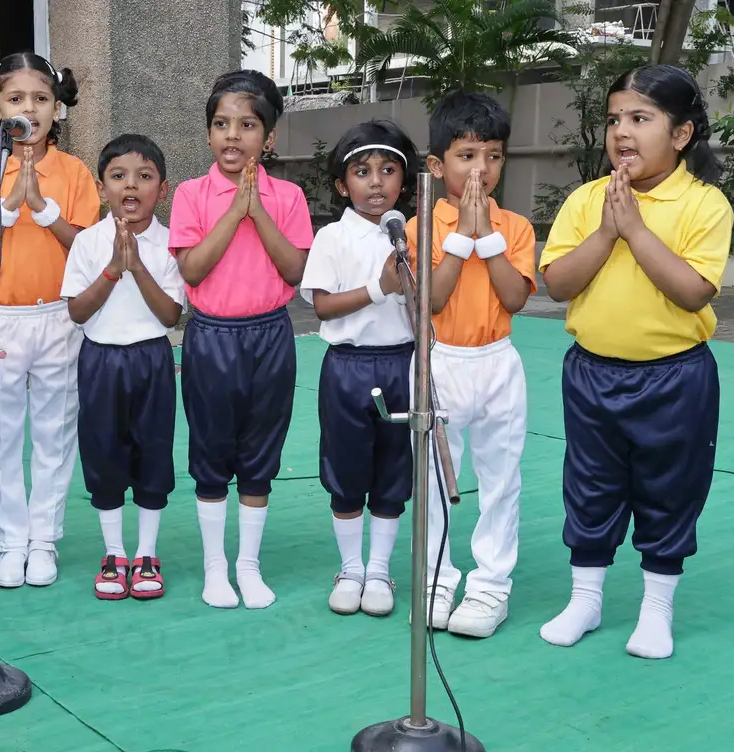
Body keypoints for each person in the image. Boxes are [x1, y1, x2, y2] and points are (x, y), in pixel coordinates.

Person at [538, 65, 731, 660]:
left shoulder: (704, 204)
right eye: (614, 118)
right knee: (590, 487)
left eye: (640, 118)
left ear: (680, 134)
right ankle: (586, 598)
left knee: (670, 489)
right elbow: (556, 284)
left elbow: (694, 291)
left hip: (674, 377)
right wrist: (606, 232)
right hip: (593, 372)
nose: (622, 131)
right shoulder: (587, 199)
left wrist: (636, 230)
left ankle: (656, 609)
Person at [169, 69, 314, 610]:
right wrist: (235, 211)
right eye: (221, 124)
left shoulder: (289, 196)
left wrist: (258, 210)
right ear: (208, 133)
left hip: (271, 336)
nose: (233, 135)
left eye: (247, 125)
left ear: (268, 137)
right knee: (211, 449)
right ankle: (215, 567)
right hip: (211, 337)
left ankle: (248, 565)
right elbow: (195, 271)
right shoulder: (190, 194)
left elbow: (294, 271)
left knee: (260, 452)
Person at [0, 53, 100, 589]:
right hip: (0, 319)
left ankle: (44, 541)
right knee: (1, 435)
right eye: (16, 99)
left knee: (55, 433)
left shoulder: (76, 172)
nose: (29, 109)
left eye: (40, 99)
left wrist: (44, 210)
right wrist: (6, 207)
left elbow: (87, 249)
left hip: (59, 316)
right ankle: (11, 541)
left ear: (57, 108)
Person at [404, 91, 536, 638]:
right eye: (466, 155)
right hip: (440, 362)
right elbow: (431, 300)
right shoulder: (421, 227)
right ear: (437, 165)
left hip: (497, 362)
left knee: (501, 478)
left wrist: (488, 238)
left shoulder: (518, 227)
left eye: (493, 155)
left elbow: (515, 298)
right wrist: (461, 237)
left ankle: (490, 588)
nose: (481, 169)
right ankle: (435, 579)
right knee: (433, 477)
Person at [301, 120, 420, 617]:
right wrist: (379, 287)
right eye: (363, 171)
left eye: (388, 170)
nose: (376, 182)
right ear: (341, 184)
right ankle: (350, 567)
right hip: (348, 366)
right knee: (347, 468)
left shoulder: (413, 232)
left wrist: (410, 278)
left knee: (394, 468)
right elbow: (323, 307)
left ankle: (379, 569)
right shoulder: (332, 236)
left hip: (402, 362)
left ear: (404, 182)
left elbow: (426, 305)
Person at [61, 134, 183, 601]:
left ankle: (146, 553)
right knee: (103, 453)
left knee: (153, 453)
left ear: (163, 189)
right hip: (100, 361)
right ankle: (114, 554)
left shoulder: (172, 243)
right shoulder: (89, 243)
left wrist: (138, 267)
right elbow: (77, 312)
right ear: (100, 186)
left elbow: (171, 316)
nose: (130, 187)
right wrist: (114, 267)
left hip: (151, 359)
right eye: (118, 176)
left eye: (144, 176)